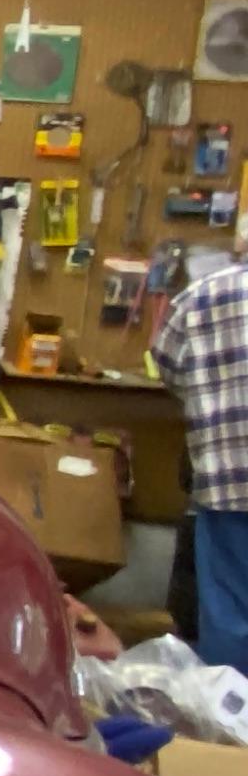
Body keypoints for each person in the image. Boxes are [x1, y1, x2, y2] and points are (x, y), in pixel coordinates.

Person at [152, 257, 248, 666]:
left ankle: (228, 722)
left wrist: (213, 400)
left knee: (228, 614)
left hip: (227, 478)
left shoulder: (205, 295)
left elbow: (167, 361)